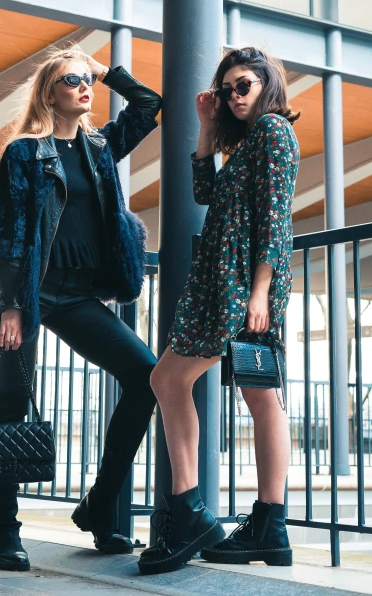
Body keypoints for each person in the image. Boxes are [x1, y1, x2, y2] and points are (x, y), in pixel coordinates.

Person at [0, 46, 162, 572]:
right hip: (25, 293)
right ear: (49, 93)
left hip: (77, 294)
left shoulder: (99, 147)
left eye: (87, 81)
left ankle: (101, 505)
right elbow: (4, 234)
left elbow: (149, 105)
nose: (84, 87)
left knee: (146, 375)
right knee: (10, 404)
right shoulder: (25, 153)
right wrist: (11, 306)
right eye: (71, 80)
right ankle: (5, 534)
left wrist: (104, 70)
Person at [138, 47, 300, 576]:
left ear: (267, 84)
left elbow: (276, 220)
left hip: (242, 289)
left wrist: (260, 291)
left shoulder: (275, 132)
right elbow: (205, 190)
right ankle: (268, 527)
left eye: (244, 84)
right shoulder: (249, 143)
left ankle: (191, 511)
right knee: (259, 397)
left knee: (169, 379)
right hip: (223, 285)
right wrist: (206, 126)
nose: (233, 94)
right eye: (227, 88)